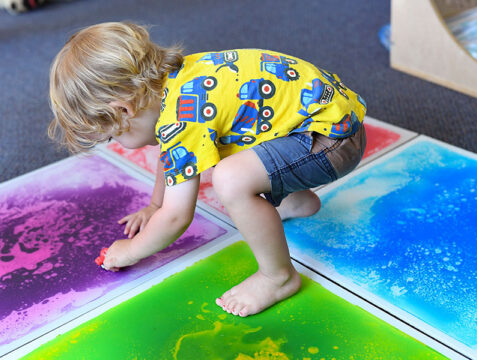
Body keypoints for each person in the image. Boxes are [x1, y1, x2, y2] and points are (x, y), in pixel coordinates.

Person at [48, 22, 367, 317]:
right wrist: (155, 206)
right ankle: (295, 199)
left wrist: (130, 251)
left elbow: (176, 217)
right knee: (232, 144)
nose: (118, 142)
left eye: (114, 134)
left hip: (332, 141)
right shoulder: (177, 81)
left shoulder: (180, 118)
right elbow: (172, 153)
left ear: (123, 110)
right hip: (326, 121)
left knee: (230, 178)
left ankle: (278, 276)